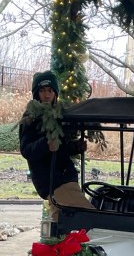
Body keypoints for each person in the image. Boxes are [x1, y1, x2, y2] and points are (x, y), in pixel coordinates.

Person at [19, 70, 93, 222]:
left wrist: (75, 147)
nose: (46, 95)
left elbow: (62, 146)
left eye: (50, 91)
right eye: (42, 91)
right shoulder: (31, 117)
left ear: (55, 93)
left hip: (65, 175)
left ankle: (56, 236)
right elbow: (26, 150)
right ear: (36, 94)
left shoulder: (58, 115)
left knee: (62, 219)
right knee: (88, 216)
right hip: (51, 179)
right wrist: (46, 143)